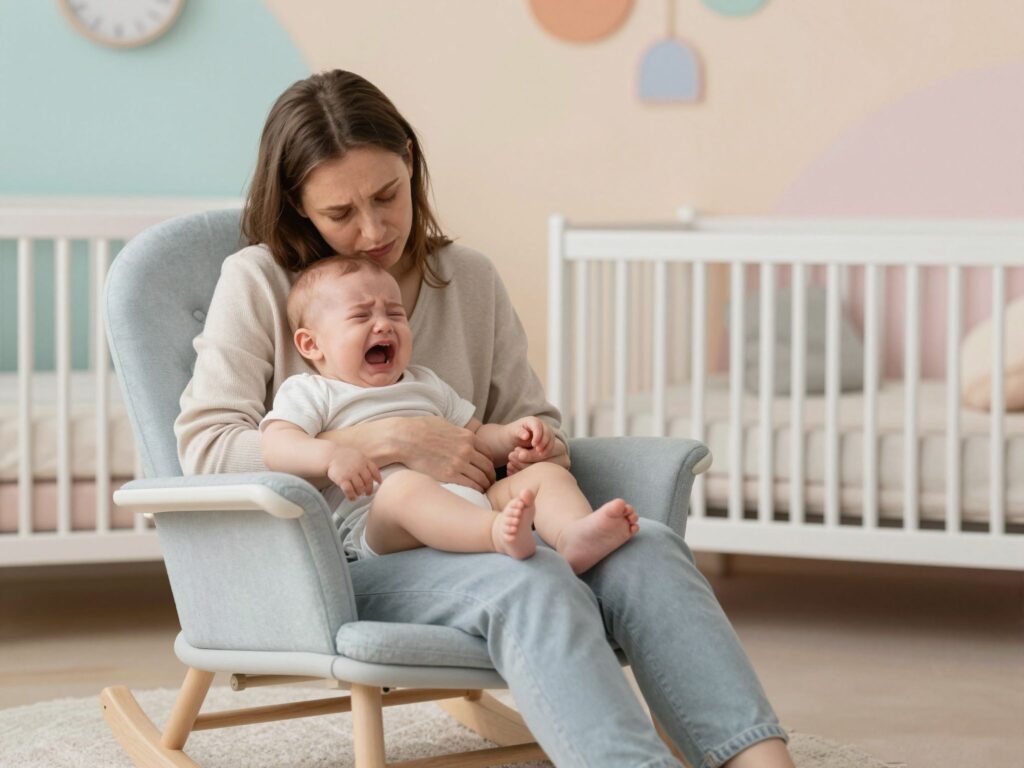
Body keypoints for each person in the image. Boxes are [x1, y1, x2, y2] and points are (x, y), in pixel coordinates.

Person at [175, 69, 794, 768]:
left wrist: (531, 447)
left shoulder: (467, 278)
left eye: (387, 196)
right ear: (298, 208)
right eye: (340, 214)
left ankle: (760, 761)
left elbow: (529, 419)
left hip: (494, 519)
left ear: (411, 162)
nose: (374, 230)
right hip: (345, 557)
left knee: (645, 547)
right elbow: (206, 449)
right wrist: (384, 439)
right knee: (525, 579)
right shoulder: (259, 281)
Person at [260, 255, 641, 571]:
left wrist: (513, 436)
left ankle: (572, 535)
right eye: (361, 317)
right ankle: (497, 534)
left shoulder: (425, 382)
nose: (384, 325)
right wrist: (331, 456)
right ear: (311, 344)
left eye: (396, 314)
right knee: (401, 489)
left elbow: (474, 436)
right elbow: (276, 445)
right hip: (380, 526)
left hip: (470, 501)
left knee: (544, 474)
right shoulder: (311, 391)